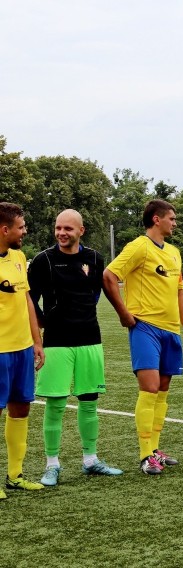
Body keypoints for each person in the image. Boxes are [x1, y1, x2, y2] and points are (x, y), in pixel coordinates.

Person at [28, 210, 123, 486]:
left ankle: (91, 460)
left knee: (89, 401)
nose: (61, 233)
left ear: (81, 230)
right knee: (55, 404)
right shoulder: (43, 260)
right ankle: (51, 464)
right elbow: (30, 300)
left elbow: (94, 294)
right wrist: (44, 324)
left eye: (68, 228)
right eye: (58, 228)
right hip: (57, 341)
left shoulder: (94, 258)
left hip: (90, 338)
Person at [103, 199, 183, 475]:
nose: (175, 223)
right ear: (157, 219)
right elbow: (109, 276)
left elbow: (179, 292)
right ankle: (145, 455)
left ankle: (155, 449)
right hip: (145, 327)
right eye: (172, 218)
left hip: (170, 330)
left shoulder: (174, 253)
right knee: (150, 387)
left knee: (163, 390)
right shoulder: (138, 247)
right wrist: (124, 315)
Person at [0, 202, 45, 497]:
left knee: (21, 409)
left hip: (22, 349)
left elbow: (27, 299)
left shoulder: (18, 256)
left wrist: (36, 340)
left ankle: (14, 475)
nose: (24, 231)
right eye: (21, 227)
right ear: (5, 230)